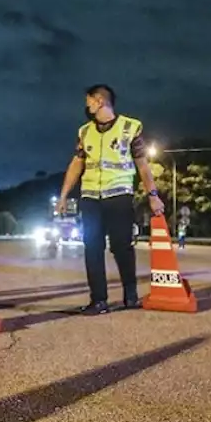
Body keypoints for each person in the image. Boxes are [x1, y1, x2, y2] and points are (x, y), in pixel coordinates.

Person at [55, 84, 163, 314]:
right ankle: (99, 300)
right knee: (92, 247)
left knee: (121, 247)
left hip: (119, 195)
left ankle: (130, 295)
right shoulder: (85, 131)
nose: (86, 105)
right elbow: (77, 164)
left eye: (89, 101)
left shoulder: (129, 128)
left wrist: (153, 195)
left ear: (100, 101)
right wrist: (64, 195)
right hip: (90, 197)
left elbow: (142, 165)